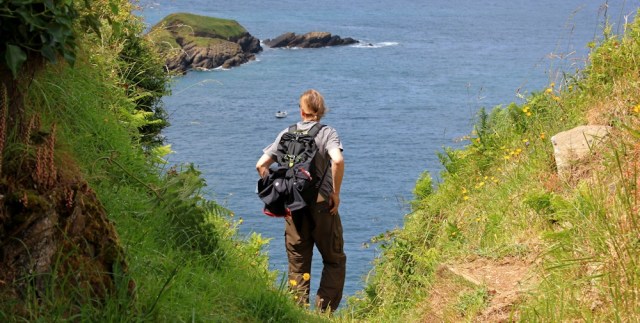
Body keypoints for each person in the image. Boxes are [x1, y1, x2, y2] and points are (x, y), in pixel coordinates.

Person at [256, 89, 346, 312]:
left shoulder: (287, 132)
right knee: (334, 260)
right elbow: (337, 160)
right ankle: (323, 313)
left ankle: (298, 312)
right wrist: (335, 193)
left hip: (293, 208)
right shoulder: (327, 133)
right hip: (322, 207)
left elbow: (261, 165)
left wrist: (282, 192)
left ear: (301, 110)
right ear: (322, 110)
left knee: (298, 263)